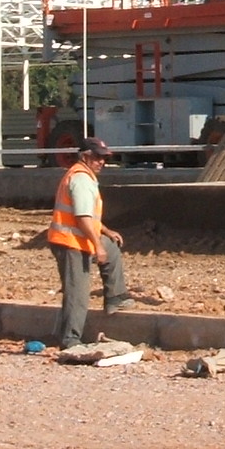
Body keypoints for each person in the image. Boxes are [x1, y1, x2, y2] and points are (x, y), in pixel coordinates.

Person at [45, 136, 137, 348]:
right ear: (85, 157)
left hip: (76, 238)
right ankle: (70, 339)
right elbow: (82, 217)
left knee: (111, 248)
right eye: (97, 158)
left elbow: (89, 216)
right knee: (77, 292)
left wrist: (105, 231)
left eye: (103, 158)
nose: (101, 162)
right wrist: (97, 245)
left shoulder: (85, 176)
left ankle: (115, 297)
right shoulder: (81, 180)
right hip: (69, 242)